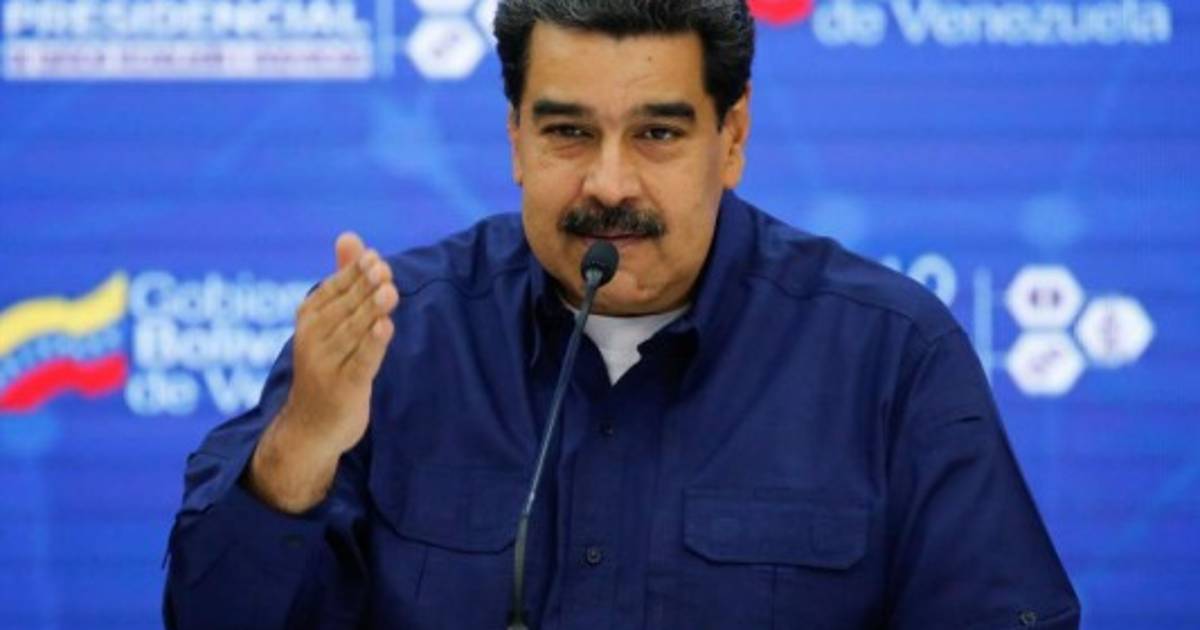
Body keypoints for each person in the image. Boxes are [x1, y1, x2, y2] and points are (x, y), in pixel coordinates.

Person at [163, 1, 1081, 628]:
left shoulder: (889, 355)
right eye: (568, 132)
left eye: (657, 134)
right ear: (514, 138)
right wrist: (302, 446)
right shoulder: (393, 338)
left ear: (732, 138)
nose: (608, 183)